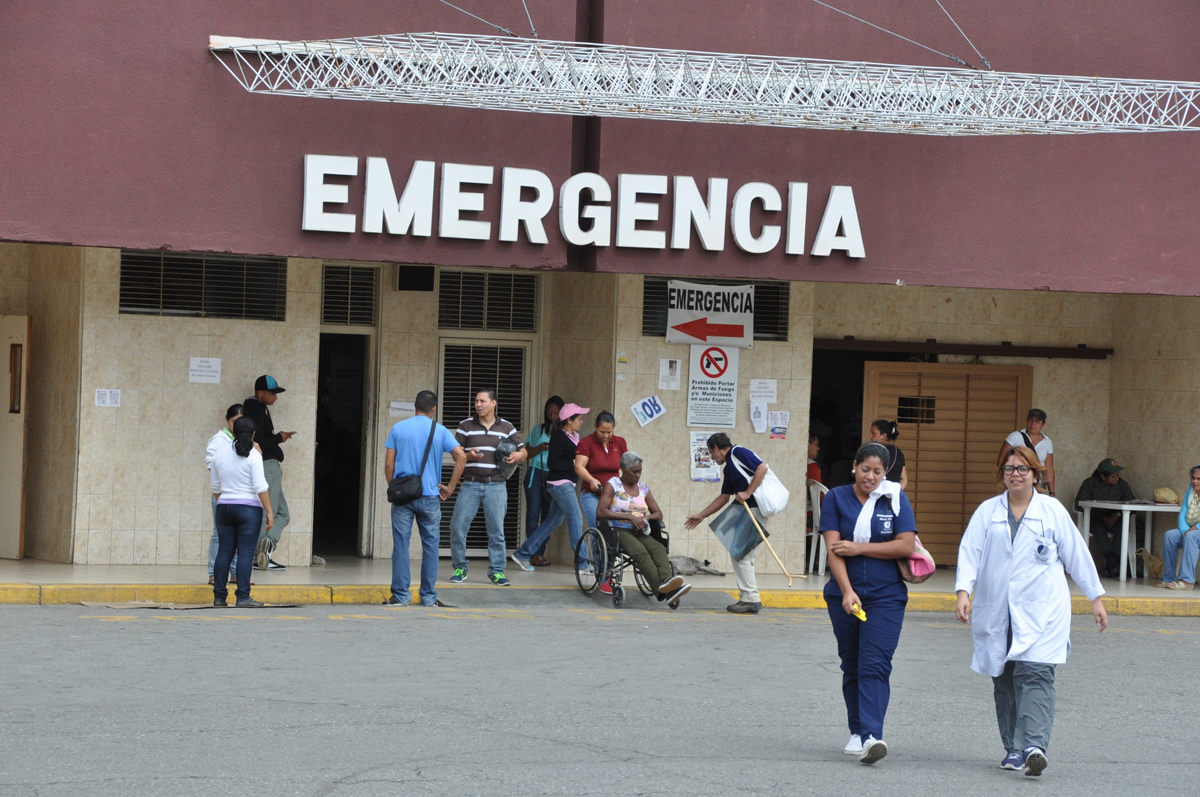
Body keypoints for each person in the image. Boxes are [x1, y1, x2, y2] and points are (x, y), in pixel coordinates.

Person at [956, 445, 1106, 777]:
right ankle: (1013, 748)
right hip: (998, 609)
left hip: (1044, 609)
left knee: (1036, 674)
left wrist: (1095, 597)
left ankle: (1034, 746)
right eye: (1009, 469)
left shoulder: (1051, 511)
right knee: (1005, 679)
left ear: (1035, 474)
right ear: (1002, 475)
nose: (1015, 474)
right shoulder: (988, 512)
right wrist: (963, 591)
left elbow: (1077, 555)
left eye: (1022, 469)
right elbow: (970, 552)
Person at [818, 442, 916, 764]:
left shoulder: (895, 499)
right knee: (853, 664)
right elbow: (834, 549)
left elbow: (905, 544)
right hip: (844, 595)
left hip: (886, 595)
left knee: (875, 664)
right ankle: (857, 731)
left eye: (877, 471)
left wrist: (861, 549)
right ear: (854, 467)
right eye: (865, 470)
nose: (870, 477)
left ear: (885, 472)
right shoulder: (835, 498)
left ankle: (873, 735)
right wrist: (846, 591)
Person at [383, 390, 466, 607]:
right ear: (433, 409)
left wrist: (395, 486)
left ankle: (401, 596)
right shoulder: (440, 431)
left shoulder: (398, 428)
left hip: (403, 497)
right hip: (430, 496)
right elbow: (462, 457)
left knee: (401, 544)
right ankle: (428, 597)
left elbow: (389, 464)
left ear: (414, 405)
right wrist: (450, 486)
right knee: (431, 546)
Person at [448, 389, 528, 587]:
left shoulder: (506, 427)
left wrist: (519, 456)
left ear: (494, 403)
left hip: (497, 485)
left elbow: (523, 450)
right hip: (470, 484)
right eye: (476, 401)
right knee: (457, 527)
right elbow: (455, 455)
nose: (478, 405)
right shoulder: (465, 426)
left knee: (497, 531)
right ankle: (460, 567)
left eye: (482, 401)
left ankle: (497, 571)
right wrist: (468, 456)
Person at [683, 433, 768, 614]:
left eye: (711, 453)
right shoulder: (728, 468)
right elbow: (723, 498)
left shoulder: (738, 452)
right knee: (742, 554)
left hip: (753, 508)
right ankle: (749, 596)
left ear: (716, 448)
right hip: (744, 510)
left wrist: (748, 492)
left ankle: (750, 598)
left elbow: (762, 468)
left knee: (741, 554)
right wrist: (701, 515)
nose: (712, 458)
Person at [594, 451, 690, 605]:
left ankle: (667, 581)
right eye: (635, 471)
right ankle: (662, 591)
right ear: (624, 469)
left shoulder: (643, 488)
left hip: (640, 530)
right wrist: (629, 517)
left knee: (658, 547)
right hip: (618, 529)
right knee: (641, 553)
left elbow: (658, 513)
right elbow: (601, 511)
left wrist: (645, 518)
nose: (638, 475)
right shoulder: (613, 484)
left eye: (640, 471)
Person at [510, 403, 590, 575]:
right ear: (569, 420)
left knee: (552, 522)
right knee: (576, 520)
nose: (582, 422)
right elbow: (552, 463)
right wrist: (573, 463)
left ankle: (523, 553)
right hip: (561, 484)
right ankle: (583, 564)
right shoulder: (559, 437)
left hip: (567, 483)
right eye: (579, 418)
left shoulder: (574, 436)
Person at [209, 417, 274, 608]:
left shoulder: (219, 453)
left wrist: (226, 502)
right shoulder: (254, 454)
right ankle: (243, 597)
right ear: (253, 434)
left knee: (224, 551)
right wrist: (269, 511)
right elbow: (260, 486)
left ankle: (219, 597)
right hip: (249, 510)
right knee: (245, 553)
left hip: (224, 507)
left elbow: (215, 486)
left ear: (233, 431)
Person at [242, 375, 295, 572]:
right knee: (269, 513)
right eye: (272, 393)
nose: (275, 397)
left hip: (269, 465)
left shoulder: (257, 409)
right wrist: (279, 438)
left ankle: (266, 547)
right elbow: (259, 443)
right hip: (267, 465)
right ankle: (258, 557)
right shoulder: (255, 411)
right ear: (260, 393)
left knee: (283, 514)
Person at [1073, 458, 1136, 577]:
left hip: (1116, 518)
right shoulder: (1090, 483)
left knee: (1122, 529)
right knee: (1099, 530)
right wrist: (1102, 517)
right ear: (1103, 476)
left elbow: (1132, 504)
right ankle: (1113, 562)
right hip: (1096, 518)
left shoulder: (1122, 485)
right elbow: (1079, 504)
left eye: (1117, 475)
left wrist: (1116, 515)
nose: (1116, 479)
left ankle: (1112, 566)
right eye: (1113, 477)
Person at [523, 396, 563, 566]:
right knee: (533, 514)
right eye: (549, 414)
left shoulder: (566, 433)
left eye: (555, 413)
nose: (552, 417)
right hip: (535, 473)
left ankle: (539, 553)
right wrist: (540, 448)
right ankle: (531, 554)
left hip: (554, 476)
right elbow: (526, 452)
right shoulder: (538, 430)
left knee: (548, 516)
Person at [207, 403, 243, 586]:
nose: (236, 425)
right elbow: (211, 464)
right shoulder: (219, 439)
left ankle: (236, 573)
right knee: (219, 534)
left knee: (237, 534)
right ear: (227, 420)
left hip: (238, 494)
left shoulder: (244, 440)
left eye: (240, 421)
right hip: (221, 494)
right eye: (233, 421)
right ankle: (213, 573)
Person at [575, 411, 628, 529]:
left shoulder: (620, 442)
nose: (605, 435)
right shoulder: (586, 442)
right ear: (595, 427)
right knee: (598, 527)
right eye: (602, 432)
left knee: (618, 527)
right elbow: (579, 466)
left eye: (609, 432)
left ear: (614, 428)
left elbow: (627, 467)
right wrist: (591, 480)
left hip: (614, 494)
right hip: (592, 494)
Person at [997, 409, 1055, 497]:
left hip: (1038, 485)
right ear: (1026, 421)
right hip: (1018, 482)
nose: (1033, 424)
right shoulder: (1015, 436)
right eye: (1030, 420)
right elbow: (1001, 461)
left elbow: (1049, 468)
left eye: (1037, 421)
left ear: (1043, 424)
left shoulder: (1047, 441)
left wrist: (1052, 493)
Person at [1162, 465, 1200, 590]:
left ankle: (1187, 580)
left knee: (1191, 536)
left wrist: (1196, 527)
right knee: (1170, 536)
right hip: (1189, 530)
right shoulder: (1190, 493)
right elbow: (1182, 514)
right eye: (1193, 478)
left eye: (1199, 479)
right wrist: (1184, 531)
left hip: (1196, 531)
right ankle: (1169, 578)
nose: (1195, 481)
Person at [867, 420, 907, 489]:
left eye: (873, 433)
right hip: (890, 495)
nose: (870, 436)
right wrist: (896, 494)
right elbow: (904, 479)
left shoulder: (874, 451)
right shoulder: (899, 453)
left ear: (884, 436)